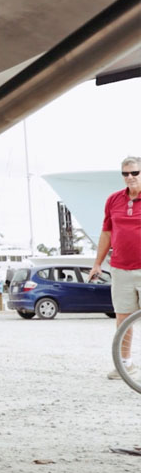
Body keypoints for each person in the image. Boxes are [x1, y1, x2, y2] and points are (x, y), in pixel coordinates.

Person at [89, 156, 140, 380]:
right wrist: (97, 263)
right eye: (125, 173)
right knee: (123, 318)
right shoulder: (113, 200)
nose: (130, 177)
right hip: (120, 269)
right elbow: (107, 232)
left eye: (135, 173)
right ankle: (126, 364)